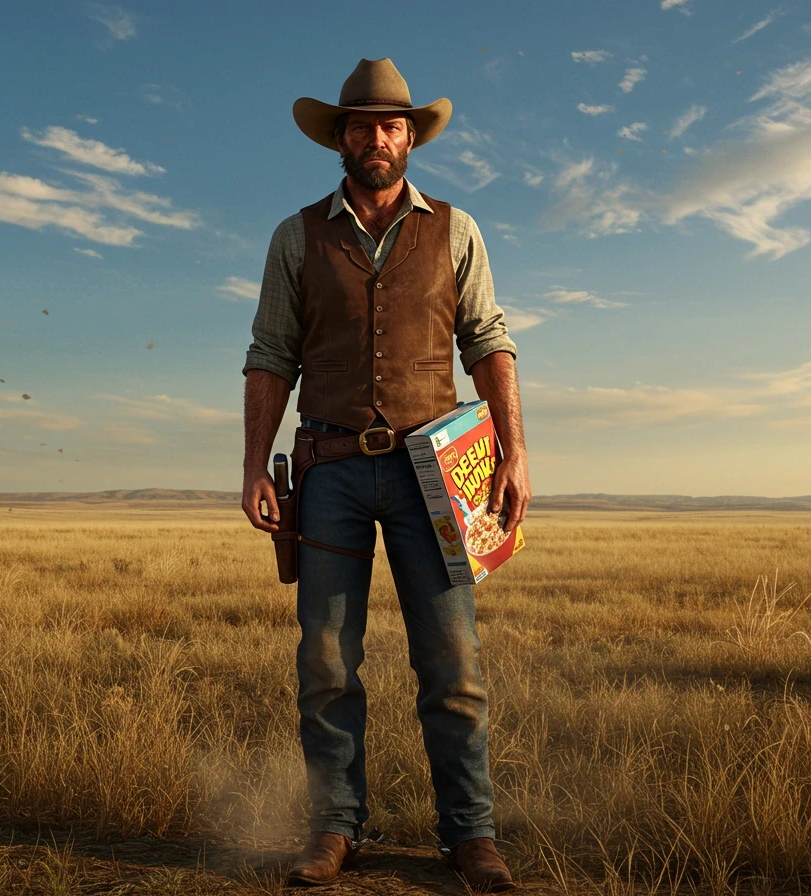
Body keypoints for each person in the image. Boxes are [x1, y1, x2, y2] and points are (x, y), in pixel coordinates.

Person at [241, 57, 530, 892]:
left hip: (437, 472)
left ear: (411, 138)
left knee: (454, 663)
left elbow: (489, 343)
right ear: (340, 139)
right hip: (328, 470)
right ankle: (336, 830)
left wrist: (514, 452)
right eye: (362, 125)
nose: (378, 137)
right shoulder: (296, 236)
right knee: (326, 663)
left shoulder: (457, 229)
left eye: (392, 125)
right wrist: (256, 465)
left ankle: (469, 835)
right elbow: (269, 356)